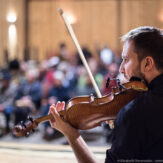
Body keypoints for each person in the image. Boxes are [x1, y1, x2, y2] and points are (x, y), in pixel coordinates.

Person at [48, 26, 163, 162]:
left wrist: (72, 136)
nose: (121, 69)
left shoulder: (134, 113)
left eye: (126, 60)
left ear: (147, 64)